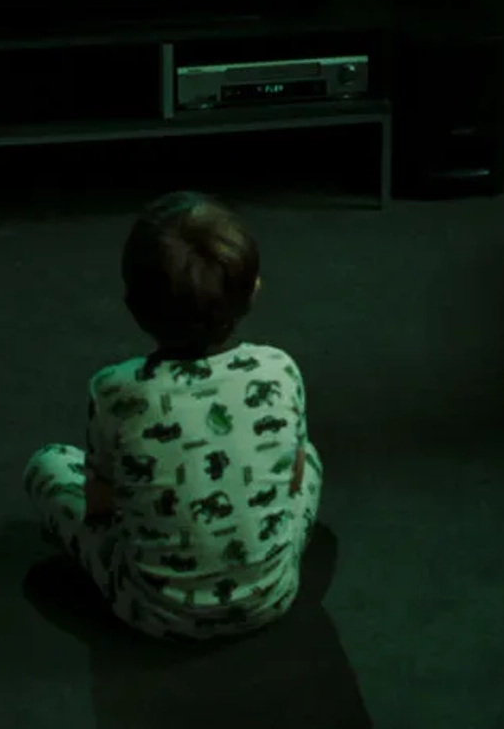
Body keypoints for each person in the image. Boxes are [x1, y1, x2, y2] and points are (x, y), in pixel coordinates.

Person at [23, 191, 322, 641]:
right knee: (310, 456)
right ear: (253, 291)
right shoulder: (280, 369)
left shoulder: (114, 388)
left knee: (47, 463)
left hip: (152, 613)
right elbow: (296, 478)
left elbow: (100, 506)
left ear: (133, 305)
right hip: (272, 599)